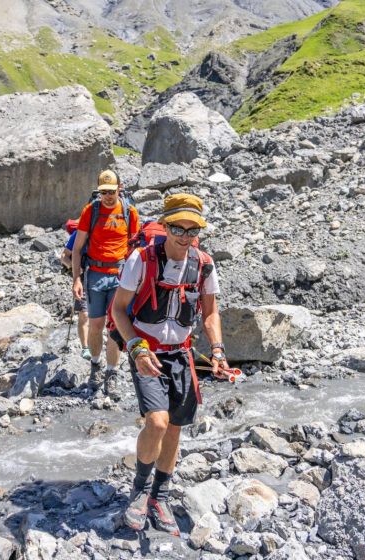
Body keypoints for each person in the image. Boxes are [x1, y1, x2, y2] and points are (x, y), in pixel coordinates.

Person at [111, 193, 229, 535]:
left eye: (193, 230)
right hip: (146, 351)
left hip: (182, 353)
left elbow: (210, 313)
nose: (186, 236)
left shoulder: (204, 264)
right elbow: (119, 309)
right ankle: (140, 490)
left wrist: (218, 351)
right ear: (165, 226)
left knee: (176, 425)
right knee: (158, 422)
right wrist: (134, 346)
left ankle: (160, 495)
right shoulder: (141, 259)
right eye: (179, 228)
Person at [72, 170, 139, 399]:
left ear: (120, 188)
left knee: (115, 327)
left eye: (111, 192)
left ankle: (111, 373)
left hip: (120, 274)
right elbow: (77, 248)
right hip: (95, 275)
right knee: (95, 325)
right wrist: (76, 279)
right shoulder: (91, 211)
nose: (108, 196)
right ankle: (95, 364)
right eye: (104, 192)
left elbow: (136, 248)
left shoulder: (129, 212)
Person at [60, 219, 91, 360]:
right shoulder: (79, 233)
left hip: (101, 275)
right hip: (83, 278)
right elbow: (64, 256)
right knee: (84, 313)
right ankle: (85, 348)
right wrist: (76, 270)